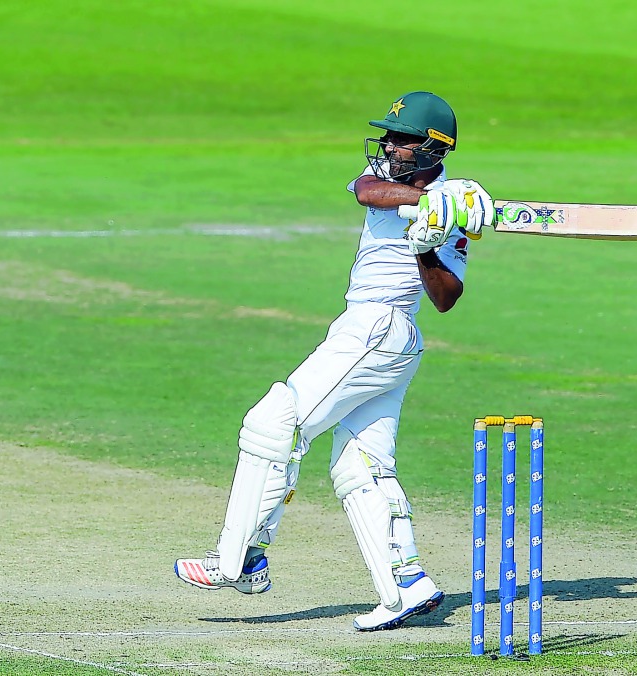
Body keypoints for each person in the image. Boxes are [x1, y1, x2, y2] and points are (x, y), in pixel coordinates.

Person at [174, 91, 494, 631]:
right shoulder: (394, 182)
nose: (388, 146)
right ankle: (406, 585)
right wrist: (427, 204)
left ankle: (238, 560)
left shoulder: (456, 208)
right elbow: (368, 192)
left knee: (273, 422)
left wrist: (427, 243)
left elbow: (446, 297)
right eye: (387, 136)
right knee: (360, 466)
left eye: (401, 139)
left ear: (434, 148)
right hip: (371, 331)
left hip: (380, 327)